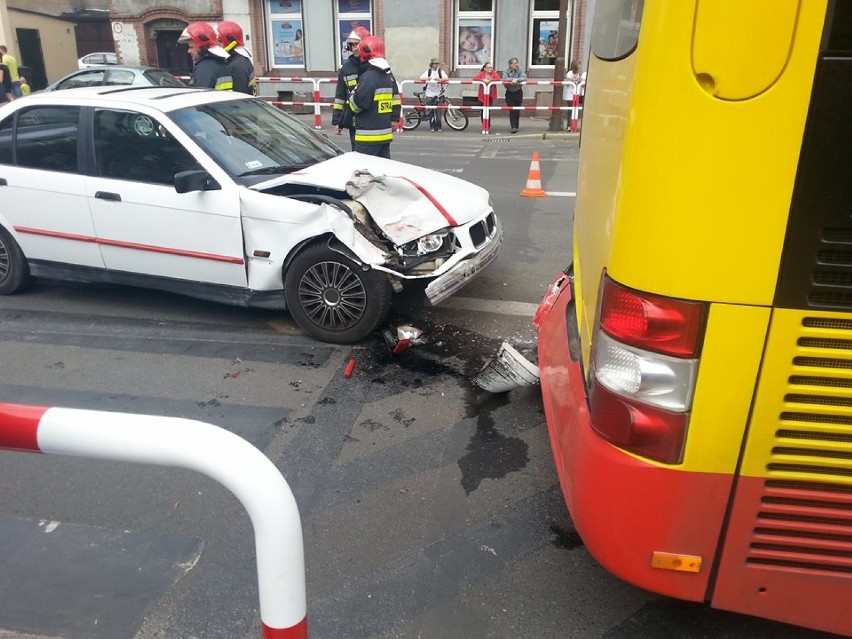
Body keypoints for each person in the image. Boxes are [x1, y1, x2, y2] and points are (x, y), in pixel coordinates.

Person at [348, 35, 401, 159]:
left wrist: (351, 95)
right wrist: (394, 118)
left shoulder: (369, 77)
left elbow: (358, 105)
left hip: (368, 137)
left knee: (365, 174)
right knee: (381, 173)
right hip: (384, 136)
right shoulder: (386, 76)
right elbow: (394, 98)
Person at [333, 26, 370, 150]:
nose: (354, 48)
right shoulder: (346, 68)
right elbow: (340, 95)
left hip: (372, 120)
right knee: (357, 153)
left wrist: (394, 118)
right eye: (352, 45)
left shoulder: (375, 64)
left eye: (357, 44)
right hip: (354, 122)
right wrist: (338, 121)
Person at [178, 22, 232, 90]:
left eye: (191, 47)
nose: (189, 51)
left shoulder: (205, 68)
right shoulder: (220, 63)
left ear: (202, 48)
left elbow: (200, 97)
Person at [217, 21, 256, 95]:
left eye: (219, 41)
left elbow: (240, 96)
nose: (217, 45)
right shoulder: (238, 60)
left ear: (230, 42)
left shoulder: (237, 66)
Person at [419, 57, 447, 132]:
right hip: (429, 93)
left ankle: (439, 126)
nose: (436, 65)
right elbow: (421, 78)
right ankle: (432, 126)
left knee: (438, 110)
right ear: (431, 64)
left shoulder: (440, 71)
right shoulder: (428, 71)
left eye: (437, 63)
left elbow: (446, 78)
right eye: (435, 63)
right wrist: (427, 78)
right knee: (430, 110)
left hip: (438, 94)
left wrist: (440, 80)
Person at [503, 57, 526, 133]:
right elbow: (504, 79)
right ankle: (513, 127)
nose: (516, 65)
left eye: (517, 63)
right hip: (509, 92)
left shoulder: (520, 69)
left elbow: (524, 77)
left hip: (518, 92)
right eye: (515, 63)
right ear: (510, 65)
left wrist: (517, 80)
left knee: (517, 110)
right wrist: (512, 80)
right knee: (512, 110)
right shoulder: (506, 70)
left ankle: (516, 126)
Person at [563, 60, 586, 130]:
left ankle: (573, 125)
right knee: (570, 110)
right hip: (570, 95)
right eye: (579, 65)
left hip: (575, 94)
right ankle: (569, 126)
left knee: (575, 110)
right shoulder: (570, 73)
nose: (580, 66)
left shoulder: (578, 74)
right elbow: (567, 82)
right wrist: (573, 80)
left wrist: (579, 80)